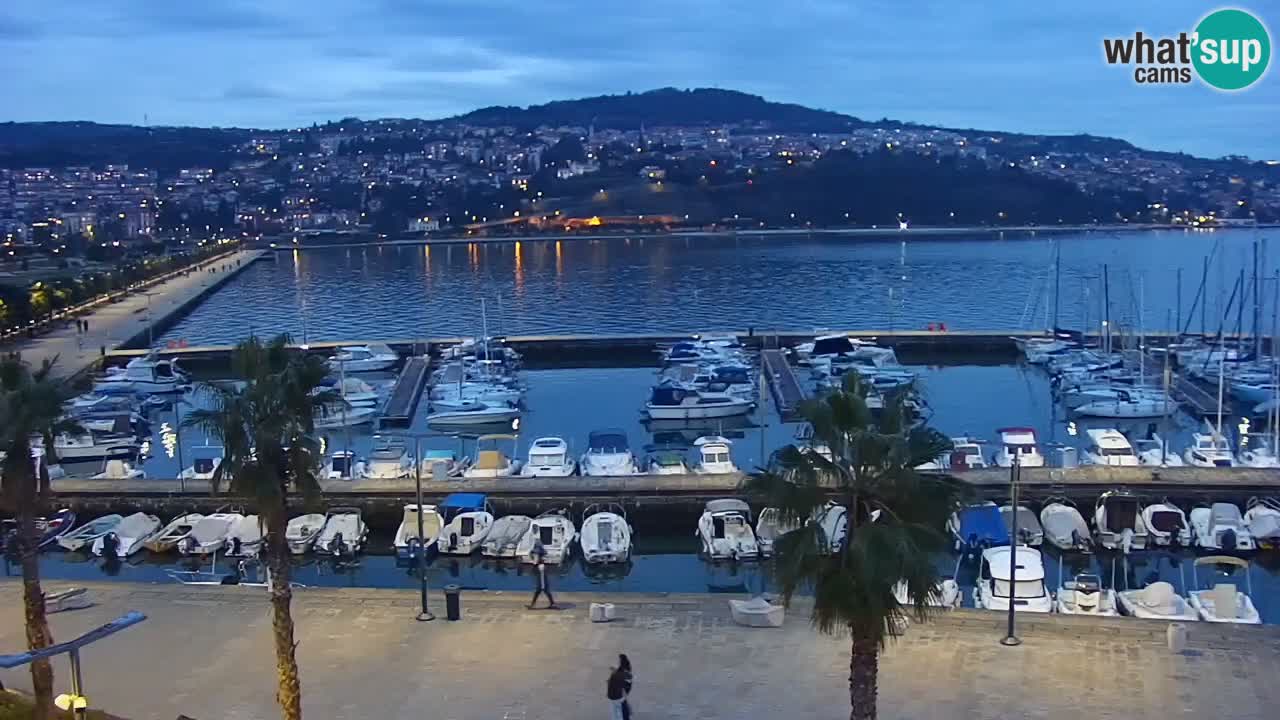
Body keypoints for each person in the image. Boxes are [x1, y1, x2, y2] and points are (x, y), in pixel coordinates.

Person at [527, 540, 556, 609]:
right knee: (543, 589)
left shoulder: (536, 552)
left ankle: (533, 605)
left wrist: (533, 562)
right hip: (542, 569)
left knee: (541, 588)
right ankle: (551, 603)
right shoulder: (541, 552)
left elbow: (535, 561)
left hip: (540, 569)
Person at [618, 654, 633, 720]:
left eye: (619, 661)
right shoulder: (626, 672)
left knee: (623, 713)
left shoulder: (625, 674)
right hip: (621, 698)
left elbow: (624, 690)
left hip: (621, 698)